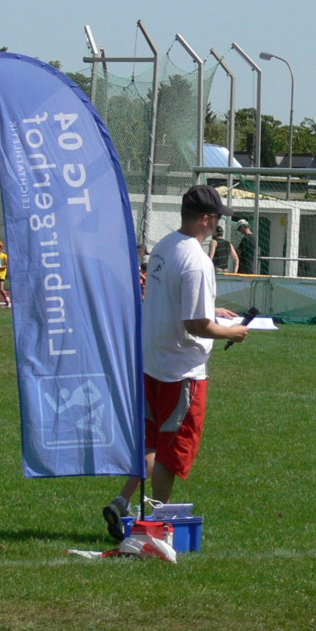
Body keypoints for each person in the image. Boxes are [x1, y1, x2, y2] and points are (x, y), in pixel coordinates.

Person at [102, 185, 250, 539]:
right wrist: (232, 333)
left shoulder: (166, 246)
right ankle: (157, 528)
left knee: (152, 440)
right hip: (181, 369)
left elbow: (173, 299)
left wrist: (213, 311)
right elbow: (196, 325)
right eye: (216, 219)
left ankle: (123, 502)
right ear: (205, 219)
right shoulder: (197, 261)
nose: (218, 226)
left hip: (153, 359)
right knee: (172, 450)